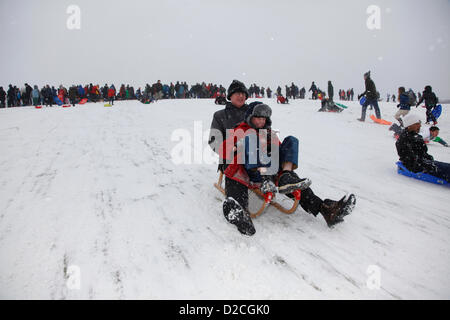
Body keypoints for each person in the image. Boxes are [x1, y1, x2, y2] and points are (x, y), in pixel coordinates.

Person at [218, 102, 356, 235]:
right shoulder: (240, 130)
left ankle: (326, 210)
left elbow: (279, 150)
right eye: (257, 118)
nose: (260, 122)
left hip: (273, 172)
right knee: (251, 141)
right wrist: (237, 145)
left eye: (263, 119)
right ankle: (238, 213)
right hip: (249, 171)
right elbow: (223, 150)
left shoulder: (269, 133)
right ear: (250, 118)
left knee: (291, 141)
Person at [396, 113, 450, 183]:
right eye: (417, 124)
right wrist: (426, 165)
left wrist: (429, 159)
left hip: (424, 162)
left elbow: (423, 153)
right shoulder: (404, 140)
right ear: (409, 125)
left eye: (420, 123)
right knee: (446, 170)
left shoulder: (417, 137)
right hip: (418, 165)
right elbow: (409, 159)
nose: (420, 125)